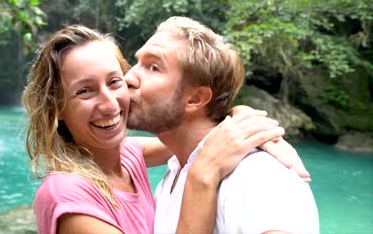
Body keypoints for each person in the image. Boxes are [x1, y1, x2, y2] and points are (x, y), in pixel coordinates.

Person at [22, 25, 308, 234]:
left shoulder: (256, 179)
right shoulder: (67, 194)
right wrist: (202, 176)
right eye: (84, 91)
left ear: (196, 98)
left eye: (114, 81)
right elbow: (200, 143)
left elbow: (202, 135)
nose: (129, 80)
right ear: (57, 107)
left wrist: (247, 120)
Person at [125, 16, 319, 233]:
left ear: (196, 99)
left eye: (153, 67)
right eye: (137, 63)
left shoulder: (256, 174)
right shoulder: (175, 171)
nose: (128, 77)